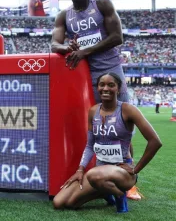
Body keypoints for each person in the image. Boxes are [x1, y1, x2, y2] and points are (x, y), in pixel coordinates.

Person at [51, 0, 141, 199]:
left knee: (121, 125)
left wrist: (84, 51)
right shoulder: (64, 16)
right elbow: (54, 45)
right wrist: (68, 48)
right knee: (100, 129)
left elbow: (117, 37)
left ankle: (128, 181)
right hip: (86, 79)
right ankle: (102, 176)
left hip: (111, 72)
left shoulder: (101, 4)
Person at [53, 73, 162, 212]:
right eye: (102, 84)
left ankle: (119, 194)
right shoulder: (93, 111)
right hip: (99, 174)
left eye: (111, 85)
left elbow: (155, 141)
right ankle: (106, 192)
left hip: (122, 173)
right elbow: (90, 146)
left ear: (118, 88)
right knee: (61, 202)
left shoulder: (128, 110)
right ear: (97, 88)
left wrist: (135, 169)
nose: (106, 88)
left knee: (93, 174)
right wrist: (80, 170)